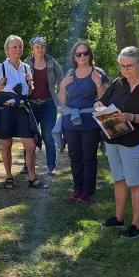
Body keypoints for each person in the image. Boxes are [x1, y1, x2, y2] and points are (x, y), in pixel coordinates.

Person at [100, 46, 139, 240]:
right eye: (122, 66)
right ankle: (118, 218)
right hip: (113, 137)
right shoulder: (117, 83)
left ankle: (136, 225)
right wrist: (100, 106)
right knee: (118, 179)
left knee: (134, 182)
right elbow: (102, 100)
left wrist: (130, 116)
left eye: (129, 66)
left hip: (133, 141)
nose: (125, 70)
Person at [0, 35, 47, 190]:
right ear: (7, 50)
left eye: (20, 46)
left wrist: (30, 84)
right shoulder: (0, 68)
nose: (18, 49)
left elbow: (28, 91)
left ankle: (32, 177)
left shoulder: (26, 67)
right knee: (6, 144)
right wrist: (0, 86)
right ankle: (8, 176)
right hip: (6, 110)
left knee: (31, 145)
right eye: (15, 47)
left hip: (22, 110)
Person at [58, 41, 108, 203]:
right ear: (74, 56)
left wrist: (98, 83)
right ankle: (77, 188)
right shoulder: (70, 74)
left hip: (90, 122)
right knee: (74, 156)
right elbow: (63, 102)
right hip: (71, 121)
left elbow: (104, 100)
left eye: (85, 53)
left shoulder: (98, 72)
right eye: (78, 54)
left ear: (90, 55)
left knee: (89, 156)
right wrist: (62, 87)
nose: (82, 57)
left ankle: (87, 191)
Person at [23, 36, 64, 176]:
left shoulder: (53, 63)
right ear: (32, 49)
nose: (40, 49)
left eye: (42, 46)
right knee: (29, 136)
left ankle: (51, 166)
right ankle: (26, 166)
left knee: (48, 136)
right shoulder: (26, 64)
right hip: (31, 105)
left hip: (48, 104)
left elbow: (62, 80)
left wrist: (61, 93)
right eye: (37, 47)